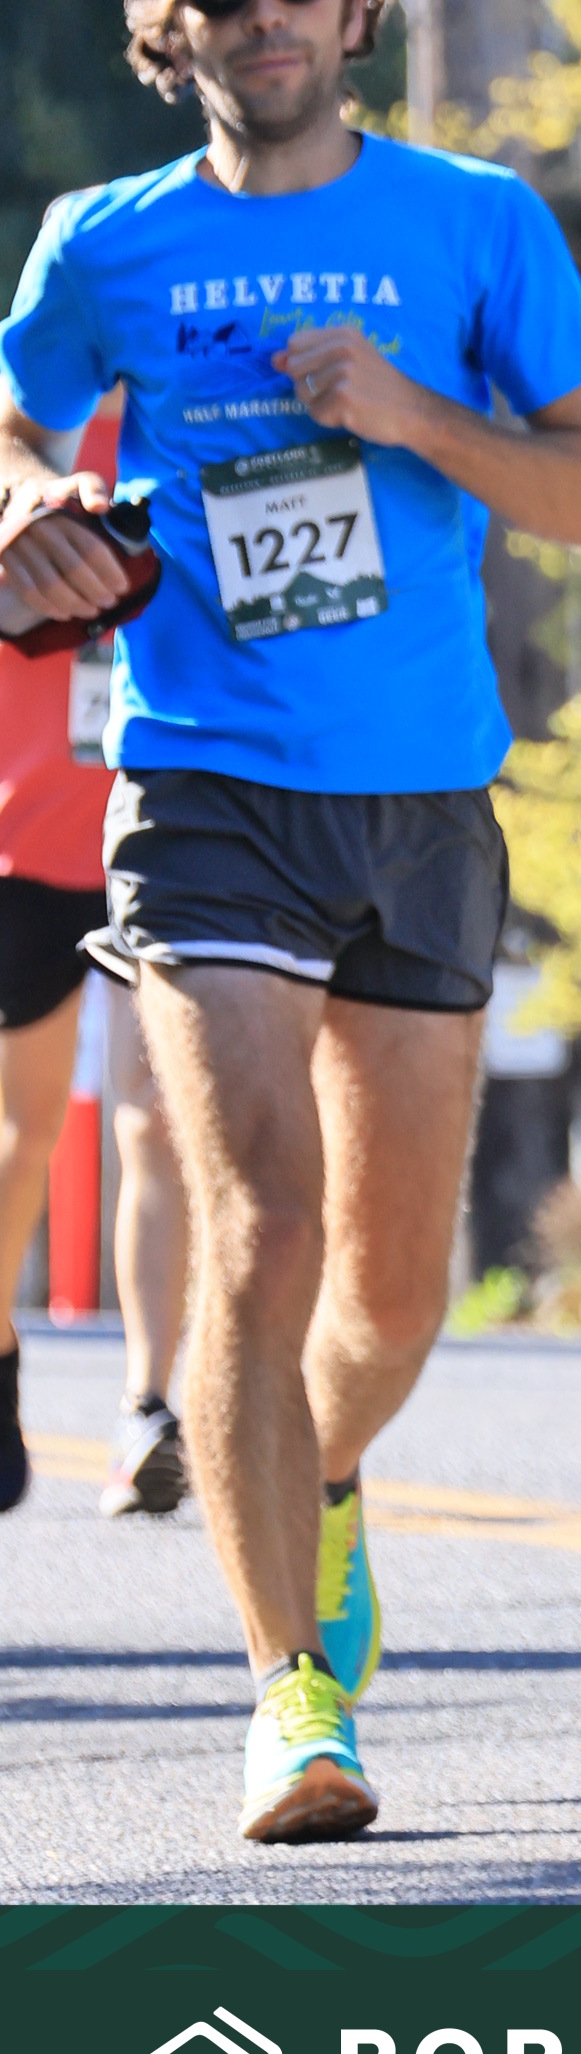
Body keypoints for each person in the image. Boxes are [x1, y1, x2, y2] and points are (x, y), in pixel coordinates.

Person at [0, 0, 581, 1840]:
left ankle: (321, 1472)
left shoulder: (474, 222)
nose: (261, 9)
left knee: (393, 1290)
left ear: (353, 9)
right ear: (168, 31)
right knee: (259, 1228)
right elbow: (10, 424)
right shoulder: (107, 242)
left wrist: (415, 412)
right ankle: (291, 1693)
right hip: (203, 787)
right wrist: (27, 508)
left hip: (424, 797)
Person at [0, 403, 191, 1518]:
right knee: (22, 1132)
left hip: (171, 821)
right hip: (27, 841)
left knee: (155, 1122)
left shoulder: (205, 406)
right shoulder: (24, 431)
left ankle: (146, 1408)